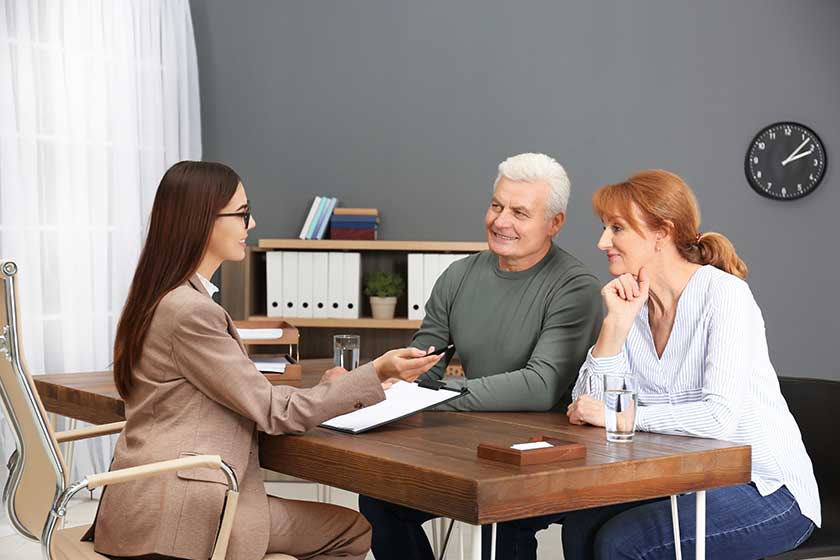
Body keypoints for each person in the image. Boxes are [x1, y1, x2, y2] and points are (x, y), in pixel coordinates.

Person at [86, 161, 444, 560]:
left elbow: (234, 397)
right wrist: (377, 371)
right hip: (183, 511)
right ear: (202, 220)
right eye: (241, 214)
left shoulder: (160, 296)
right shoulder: (191, 311)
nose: (252, 224)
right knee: (353, 530)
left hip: (147, 500)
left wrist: (329, 388)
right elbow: (274, 412)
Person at [563, 169, 820, 559]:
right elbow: (586, 408)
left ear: (661, 234)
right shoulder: (632, 306)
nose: (602, 242)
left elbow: (718, 418)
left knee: (623, 543)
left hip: (768, 490)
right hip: (686, 483)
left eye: (616, 229)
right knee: (580, 527)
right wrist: (614, 326)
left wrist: (623, 417)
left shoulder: (725, 296)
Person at [360, 153, 603, 560]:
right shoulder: (457, 276)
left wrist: (440, 396)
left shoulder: (576, 287)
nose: (501, 221)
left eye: (520, 212)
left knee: (500, 521)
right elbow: (425, 365)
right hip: (472, 444)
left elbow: (540, 387)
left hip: (545, 455)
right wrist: (387, 384)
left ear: (554, 223)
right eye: (496, 205)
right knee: (380, 501)